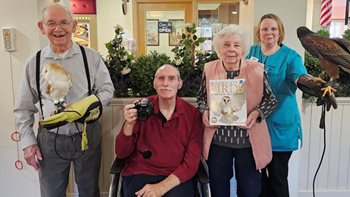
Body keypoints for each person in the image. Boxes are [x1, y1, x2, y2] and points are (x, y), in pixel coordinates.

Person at [13, 3, 114, 197]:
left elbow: (107, 90)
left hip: (87, 135)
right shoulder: (33, 63)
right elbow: (23, 108)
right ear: (41, 27)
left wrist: (86, 106)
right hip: (49, 140)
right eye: (51, 23)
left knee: (89, 191)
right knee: (51, 193)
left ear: (74, 26)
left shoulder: (91, 58)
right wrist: (28, 143)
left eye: (64, 23)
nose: (58, 29)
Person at [246, 13, 337, 197]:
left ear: (280, 32)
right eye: (265, 29)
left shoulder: (291, 57)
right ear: (259, 32)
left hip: (280, 126)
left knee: (278, 179)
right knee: (258, 179)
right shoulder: (252, 52)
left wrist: (316, 86)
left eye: (273, 29)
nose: (269, 32)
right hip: (256, 125)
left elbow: (300, 78)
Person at [197, 24, 277, 197]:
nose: (231, 49)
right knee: (219, 189)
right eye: (226, 45)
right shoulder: (209, 69)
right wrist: (204, 111)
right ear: (219, 48)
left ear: (244, 49)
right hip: (218, 141)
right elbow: (201, 98)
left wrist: (256, 114)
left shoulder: (257, 69)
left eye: (236, 45)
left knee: (250, 190)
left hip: (248, 142)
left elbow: (271, 100)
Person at [115, 64, 203, 197]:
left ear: (179, 84)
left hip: (176, 176)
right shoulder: (141, 108)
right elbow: (121, 153)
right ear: (154, 83)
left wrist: (161, 188)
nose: (165, 83)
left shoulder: (192, 114)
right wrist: (129, 124)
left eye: (171, 78)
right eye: (161, 78)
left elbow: (191, 162)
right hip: (141, 172)